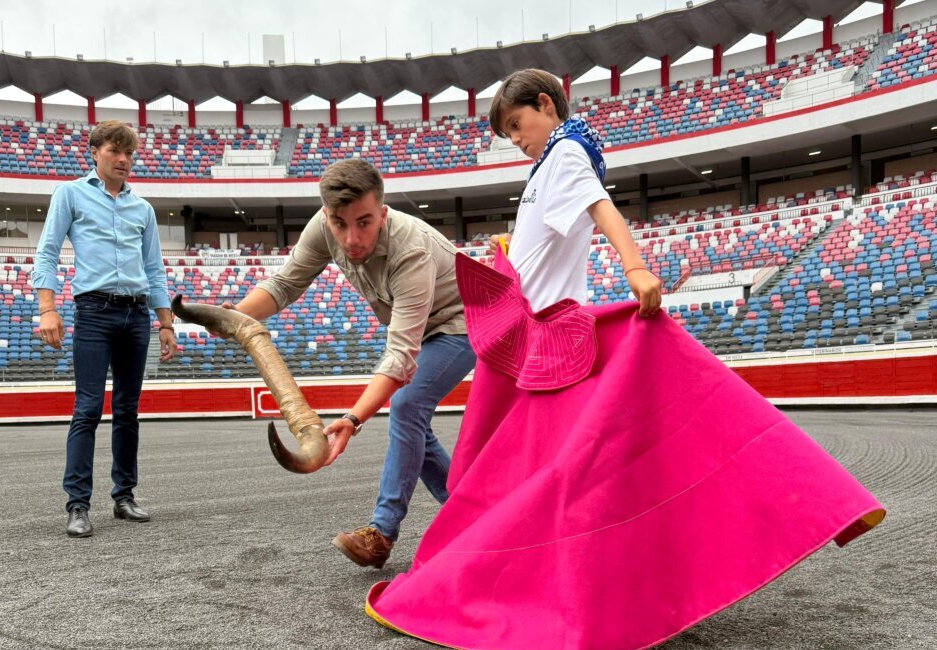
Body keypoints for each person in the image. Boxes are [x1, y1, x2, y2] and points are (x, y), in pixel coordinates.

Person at [364, 69, 885, 649]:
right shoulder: (548, 164)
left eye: (516, 124)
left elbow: (600, 207)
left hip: (549, 344)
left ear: (545, 104)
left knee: (522, 476)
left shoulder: (565, 152)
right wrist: (513, 252)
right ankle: (557, 583)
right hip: (532, 343)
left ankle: (543, 588)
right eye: (507, 132)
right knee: (523, 475)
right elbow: (548, 243)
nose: (515, 139)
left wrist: (635, 267)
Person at [225, 158, 475, 568]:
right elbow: (285, 284)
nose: (351, 238)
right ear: (327, 215)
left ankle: (381, 533)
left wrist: (352, 419)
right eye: (340, 224)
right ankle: (472, 516)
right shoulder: (324, 226)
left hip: (461, 323)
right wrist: (235, 317)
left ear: (383, 213)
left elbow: (400, 357)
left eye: (364, 222)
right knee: (412, 421)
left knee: (407, 404)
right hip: (418, 327)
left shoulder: (411, 249)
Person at [32, 119, 176, 538]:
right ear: (95, 152)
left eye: (129, 153)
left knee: (128, 410)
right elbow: (47, 252)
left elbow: (154, 269)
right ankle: (77, 504)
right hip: (93, 311)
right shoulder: (70, 194)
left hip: (137, 315)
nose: (123, 159)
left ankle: (124, 496)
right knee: (88, 408)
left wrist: (166, 322)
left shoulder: (142, 209)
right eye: (115, 150)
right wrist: (47, 308)